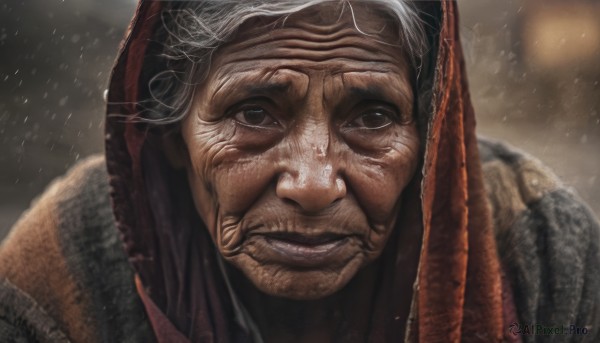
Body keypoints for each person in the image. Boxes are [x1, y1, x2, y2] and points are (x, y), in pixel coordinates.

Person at [0, 1, 598, 342]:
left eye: (372, 115)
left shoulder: (539, 249)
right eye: (253, 112)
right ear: (171, 135)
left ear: (431, 134)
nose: (313, 186)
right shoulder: (63, 269)